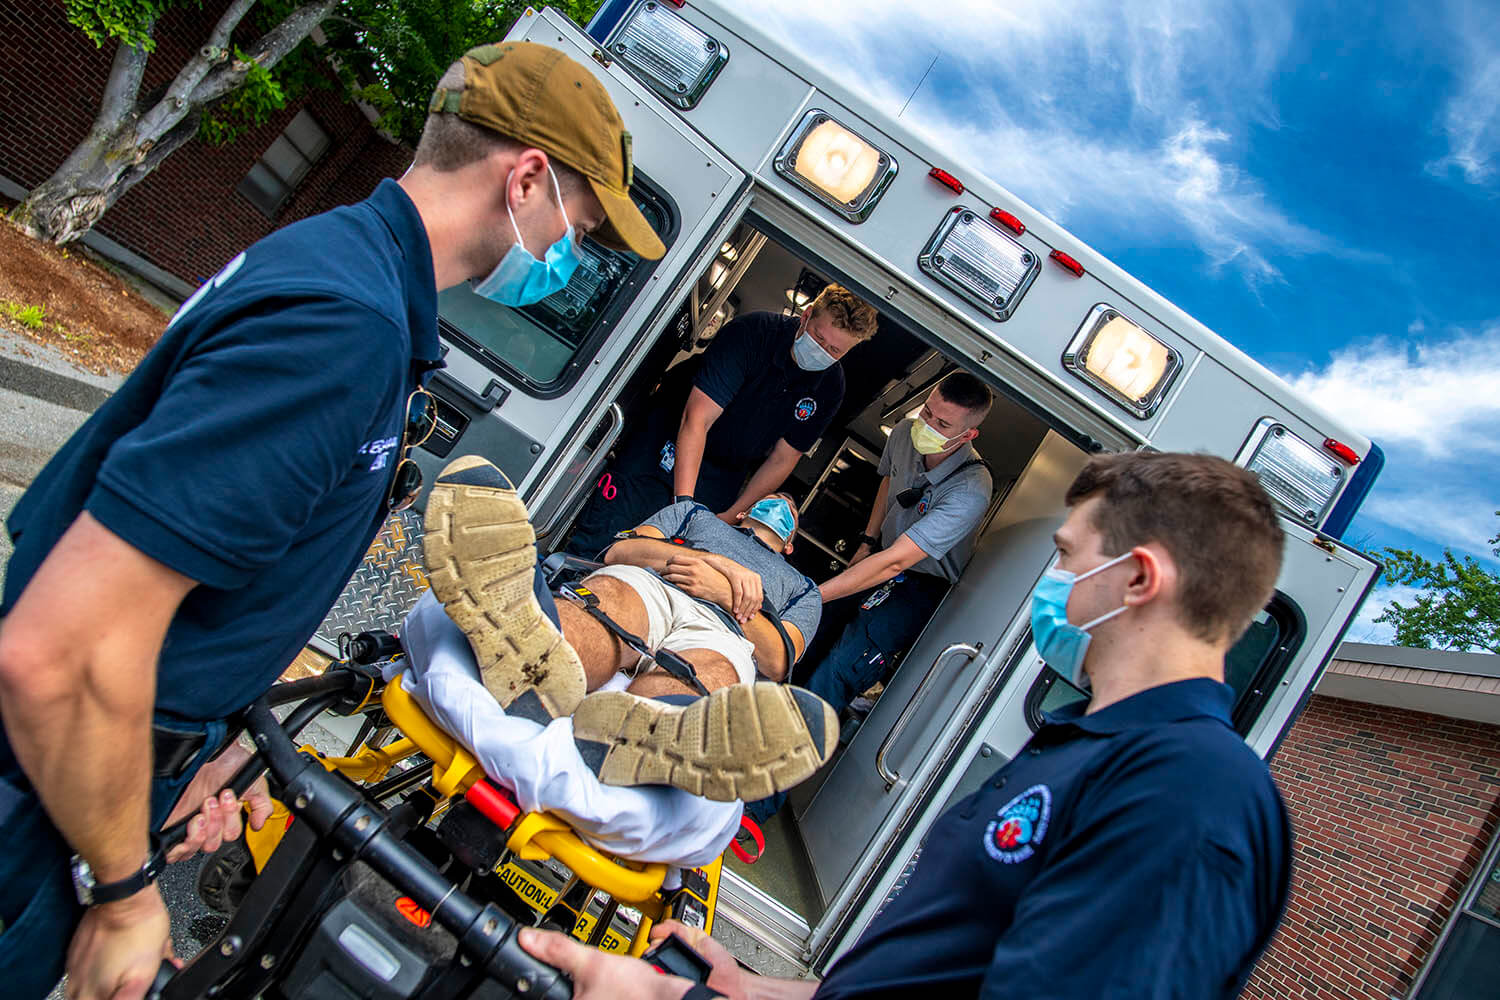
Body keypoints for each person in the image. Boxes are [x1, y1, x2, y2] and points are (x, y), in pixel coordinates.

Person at [0, 41, 664, 1000]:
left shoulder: (346, 267)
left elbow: (199, 582)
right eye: (581, 226)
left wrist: (208, 750)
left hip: (98, 758)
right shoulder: (343, 327)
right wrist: (125, 890)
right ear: (526, 179)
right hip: (42, 781)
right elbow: (57, 651)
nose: (570, 257)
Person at [517, 450, 1295, 999]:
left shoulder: (1190, 798)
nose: (1050, 584)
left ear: (1136, 578)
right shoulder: (1088, 749)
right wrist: (758, 989)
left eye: (1066, 558)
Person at [421, 455, 836, 804]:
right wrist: (719, 565)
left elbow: (779, 659)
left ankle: (642, 735)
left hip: (727, 632)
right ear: (744, 512)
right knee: (608, 607)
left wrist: (726, 595)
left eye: (790, 510)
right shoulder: (696, 515)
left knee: (704, 675)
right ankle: (535, 657)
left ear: (791, 545)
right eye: (774, 497)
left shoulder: (804, 590)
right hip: (656, 583)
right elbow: (622, 551)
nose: (783, 502)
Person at [567, 283, 878, 556]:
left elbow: (783, 459)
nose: (822, 351)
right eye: (818, 338)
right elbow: (697, 418)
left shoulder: (831, 387)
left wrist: (731, 515)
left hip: (723, 476)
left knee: (669, 566)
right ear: (807, 315)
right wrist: (684, 504)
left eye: (834, 350)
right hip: (667, 445)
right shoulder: (752, 334)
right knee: (605, 540)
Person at [801, 371, 994, 716]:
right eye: (928, 413)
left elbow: (897, 562)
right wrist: (866, 541)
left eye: (943, 424)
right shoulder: (905, 432)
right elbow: (889, 483)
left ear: (968, 435)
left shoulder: (971, 489)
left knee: (845, 661)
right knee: (817, 627)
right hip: (882, 553)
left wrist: (813, 594)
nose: (928, 426)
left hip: (920, 583)